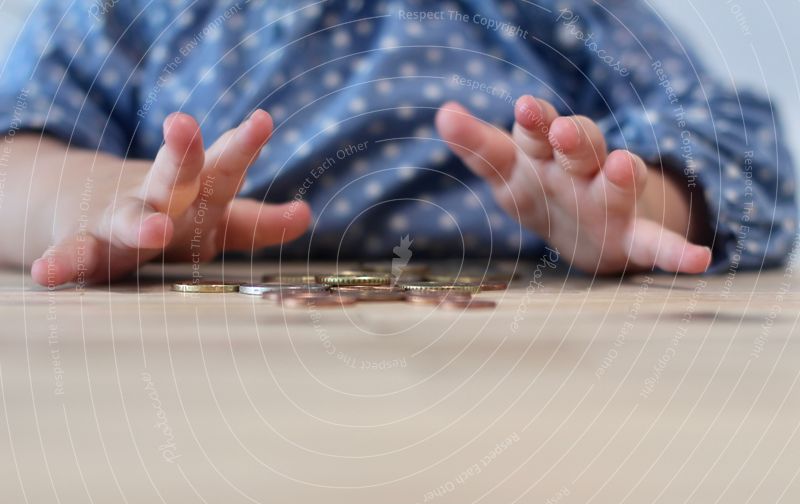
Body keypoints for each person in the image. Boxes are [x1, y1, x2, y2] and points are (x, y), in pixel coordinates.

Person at [0, 0, 795, 286]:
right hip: (179, 357)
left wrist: (636, 197)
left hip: (549, 346)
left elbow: (730, 131)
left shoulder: (556, 12)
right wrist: (94, 200)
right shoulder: (128, 10)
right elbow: (15, 149)